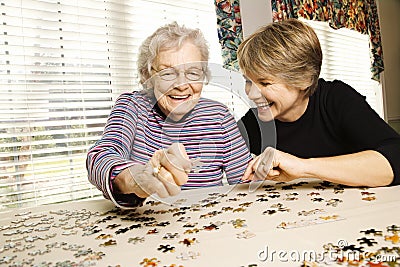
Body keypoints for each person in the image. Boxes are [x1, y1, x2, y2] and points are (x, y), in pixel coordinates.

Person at [86, 22, 252, 208]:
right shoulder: (131, 106)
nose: (181, 85)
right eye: (167, 73)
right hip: (148, 227)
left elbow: (246, 179)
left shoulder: (219, 116)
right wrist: (137, 178)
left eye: (193, 72)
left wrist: (274, 169)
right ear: (146, 76)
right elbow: (100, 156)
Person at [237, 18, 400, 187]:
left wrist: (303, 167)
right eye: (248, 81)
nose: (250, 93)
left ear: (304, 79)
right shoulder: (252, 123)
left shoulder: (337, 99)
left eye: (264, 83)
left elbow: (396, 157)